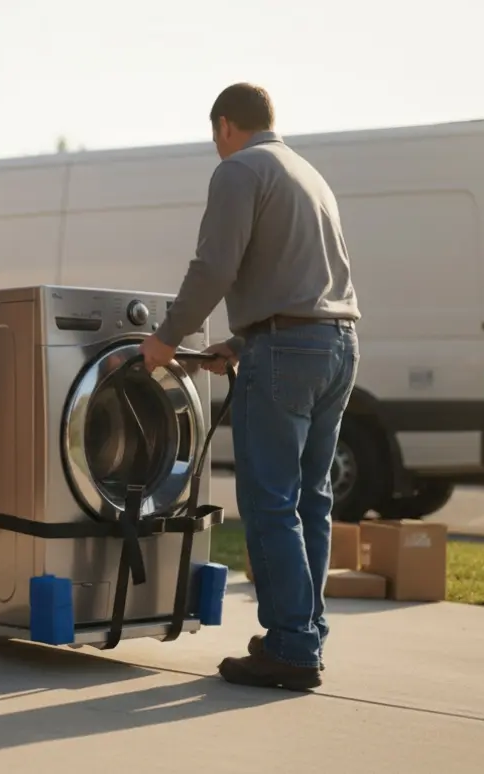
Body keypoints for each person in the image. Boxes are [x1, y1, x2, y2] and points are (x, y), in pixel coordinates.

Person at [139, 83, 360, 691]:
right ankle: (304, 632)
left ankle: (290, 648)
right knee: (311, 499)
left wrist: (166, 336)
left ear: (224, 126)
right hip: (337, 344)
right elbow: (303, 279)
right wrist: (239, 345)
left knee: (270, 502)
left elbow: (214, 265)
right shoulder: (306, 173)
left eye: (215, 137)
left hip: (289, 351)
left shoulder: (239, 170)